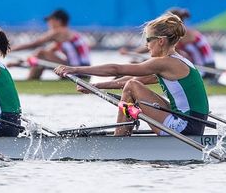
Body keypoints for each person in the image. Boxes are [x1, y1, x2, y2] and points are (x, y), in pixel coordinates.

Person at [54, 13, 209, 136]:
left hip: (184, 128)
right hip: (193, 125)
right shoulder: (177, 62)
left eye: (148, 40)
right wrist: (95, 86)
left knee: (131, 87)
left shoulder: (164, 63)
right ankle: (124, 133)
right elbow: (134, 78)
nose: (146, 45)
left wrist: (75, 69)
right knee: (132, 85)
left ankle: (120, 140)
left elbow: (117, 69)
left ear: (161, 41)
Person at [120, 8, 216, 79]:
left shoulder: (185, 34)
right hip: (199, 66)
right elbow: (158, 46)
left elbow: (157, 46)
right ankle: (125, 76)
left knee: (153, 65)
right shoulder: (180, 33)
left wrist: (134, 54)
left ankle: (124, 78)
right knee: (151, 63)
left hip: (206, 68)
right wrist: (134, 54)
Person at [7, 9, 91, 80]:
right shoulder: (66, 36)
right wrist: (18, 63)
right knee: (41, 55)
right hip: (84, 72)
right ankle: (32, 80)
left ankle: (30, 81)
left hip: (79, 72)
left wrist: (8, 50)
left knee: (41, 53)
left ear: (58, 21)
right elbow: (37, 56)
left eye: (50, 20)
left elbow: (35, 44)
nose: (48, 23)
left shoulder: (60, 32)